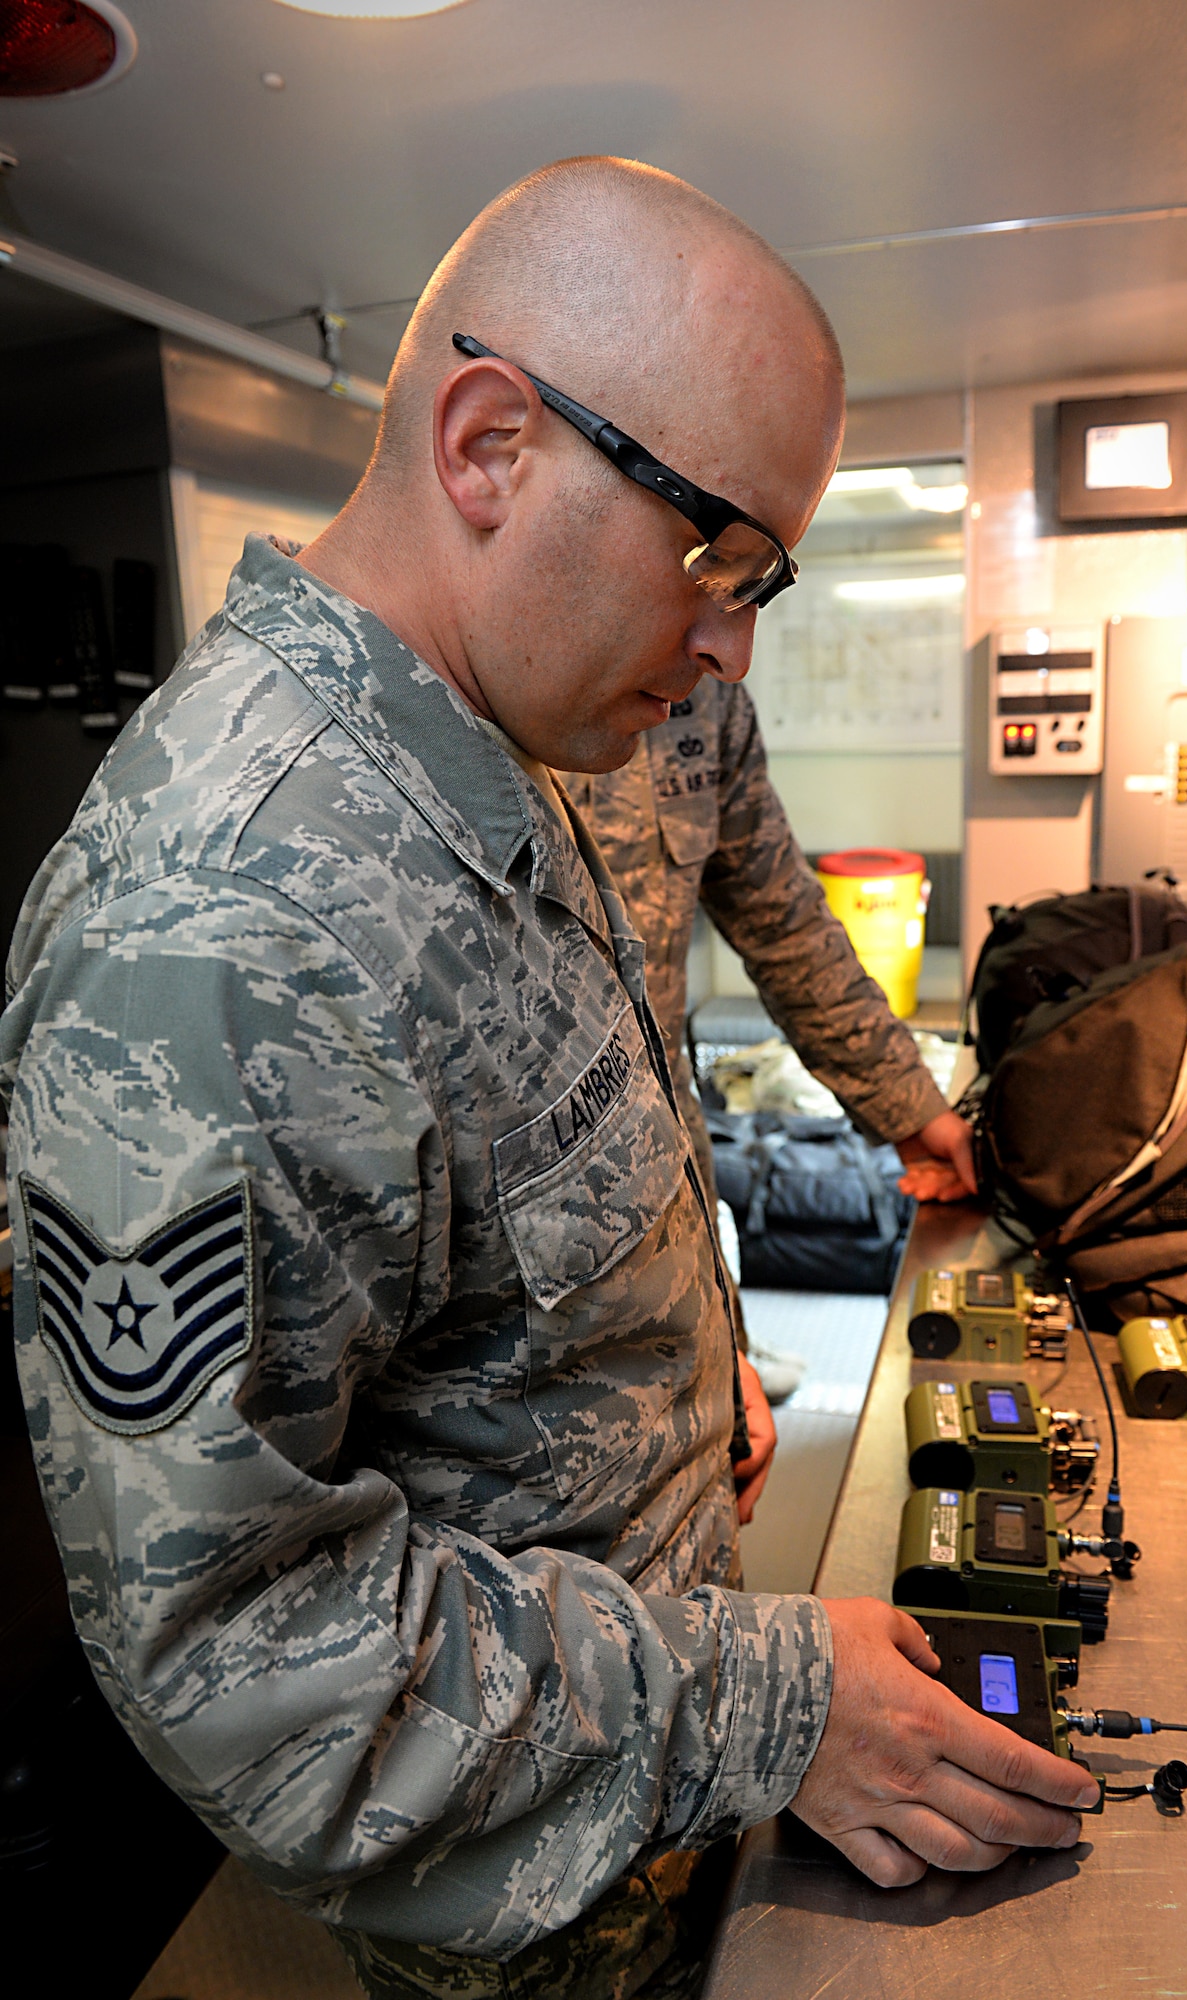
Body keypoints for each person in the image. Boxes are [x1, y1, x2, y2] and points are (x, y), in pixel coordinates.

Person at [1, 158, 1098, 2000]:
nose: (732, 646)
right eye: (715, 556)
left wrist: (682, 1360)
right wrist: (769, 1705)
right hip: (536, 1881)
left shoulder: (506, 734)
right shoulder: (228, 926)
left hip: (654, 1734)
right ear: (492, 445)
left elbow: (533, 1209)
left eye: (765, 579)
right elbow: (252, 1662)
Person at [563, 691, 976, 1216]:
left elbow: (783, 920)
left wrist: (910, 1106)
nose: (732, 661)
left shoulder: (705, 698)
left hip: (669, 1160)